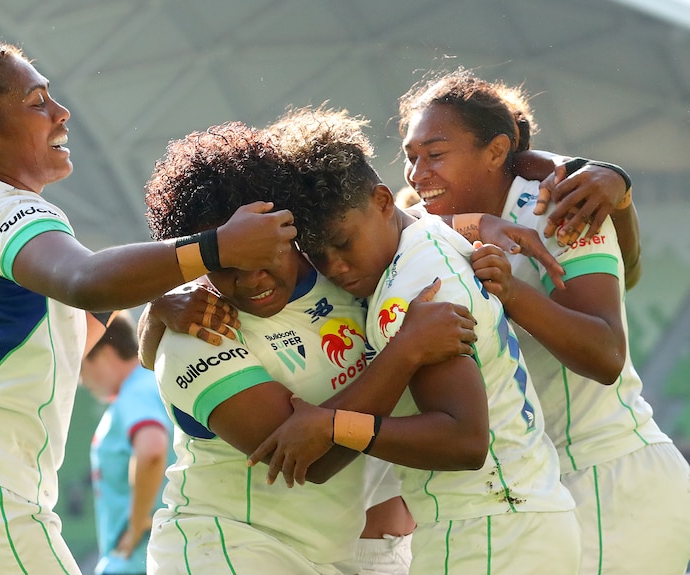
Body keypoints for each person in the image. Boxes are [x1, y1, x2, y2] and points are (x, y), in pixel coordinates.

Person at [0, 41, 297, 575]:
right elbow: (84, 280)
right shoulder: (7, 206)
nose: (61, 112)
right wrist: (215, 247)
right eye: (36, 102)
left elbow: (65, 329)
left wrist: (155, 301)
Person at [249, 106, 582, 575]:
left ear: (383, 201)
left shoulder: (415, 287)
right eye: (317, 255)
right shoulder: (424, 235)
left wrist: (334, 425)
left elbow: (464, 441)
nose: (335, 268)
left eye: (343, 243)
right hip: (517, 521)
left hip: (488, 531)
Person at [140, 120, 480, 575]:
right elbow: (313, 460)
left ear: (288, 228)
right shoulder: (195, 332)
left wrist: (488, 228)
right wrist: (406, 350)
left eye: (262, 257)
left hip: (331, 557)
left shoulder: (345, 272)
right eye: (226, 267)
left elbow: (407, 221)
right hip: (225, 549)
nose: (250, 280)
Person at [396, 68, 690, 574]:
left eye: (436, 154)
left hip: (609, 479)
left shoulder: (560, 207)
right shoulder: (425, 225)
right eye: (411, 157)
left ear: (495, 151)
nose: (418, 172)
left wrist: (512, 292)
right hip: (530, 493)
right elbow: (382, 221)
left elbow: (604, 356)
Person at [81, 311, 175, 575]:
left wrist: (135, 527)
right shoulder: (146, 385)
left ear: (104, 354)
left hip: (136, 559)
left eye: (81, 366)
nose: (80, 380)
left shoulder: (137, 390)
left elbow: (152, 450)